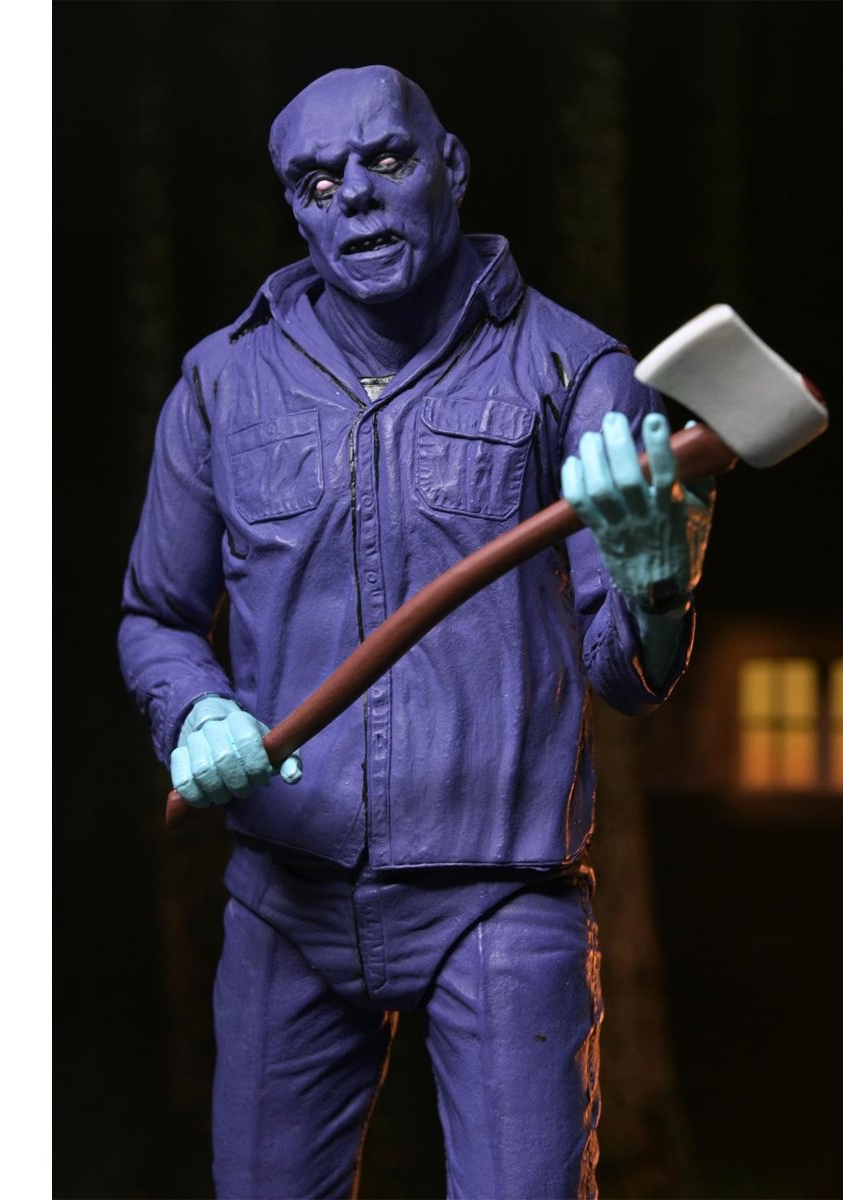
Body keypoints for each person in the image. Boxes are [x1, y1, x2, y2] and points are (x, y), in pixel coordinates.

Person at [119, 65, 714, 1200]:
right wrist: (193, 709)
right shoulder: (221, 384)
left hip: (502, 893)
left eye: (386, 160)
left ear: (451, 167)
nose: (355, 196)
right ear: (295, 209)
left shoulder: (577, 374)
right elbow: (157, 615)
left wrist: (655, 586)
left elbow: (629, 678)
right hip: (286, 892)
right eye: (318, 181)